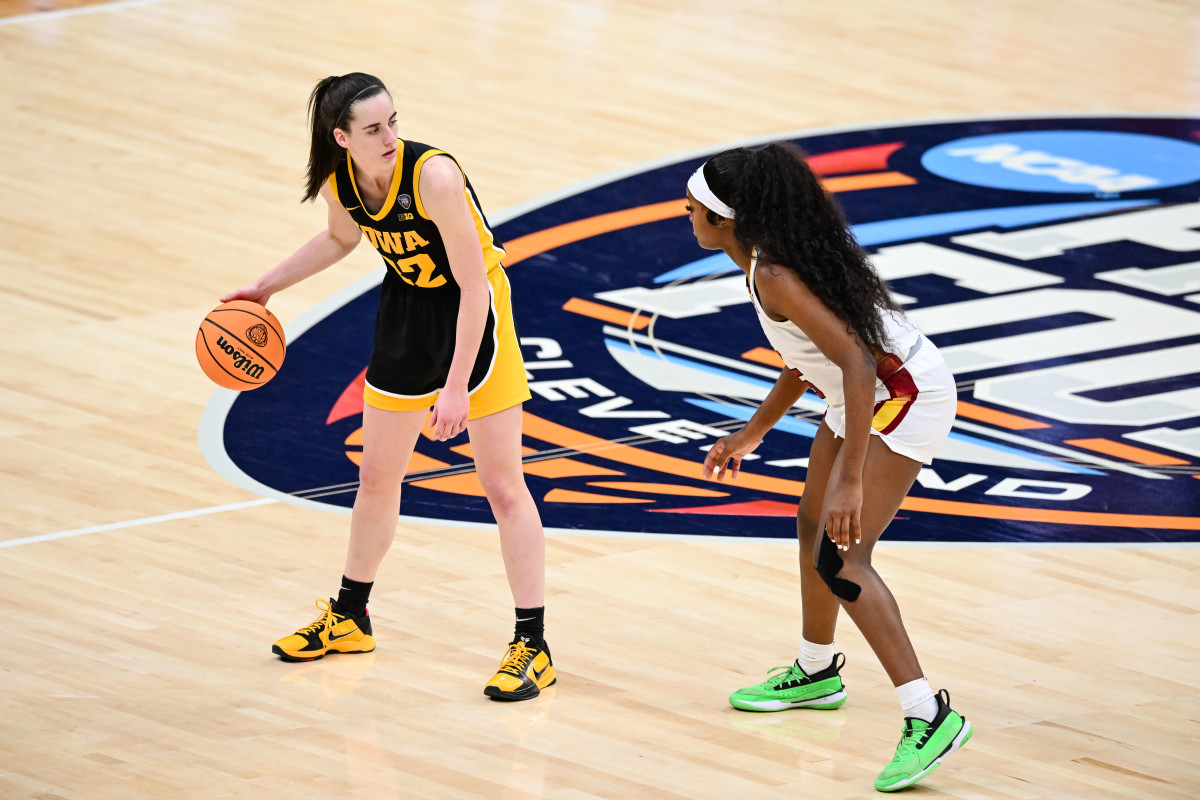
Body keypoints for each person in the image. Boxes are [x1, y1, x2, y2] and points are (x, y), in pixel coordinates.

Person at [222, 73, 555, 702]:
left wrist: (455, 387)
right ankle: (351, 616)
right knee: (376, 476)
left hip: (475, 314)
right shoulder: (340, 178)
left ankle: (532, 644)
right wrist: (266, 287)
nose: (390, 136)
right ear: (341, 137)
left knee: (502, 486)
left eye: (393, 121)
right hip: (406, 312)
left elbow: (474, 287)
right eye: (374, 128)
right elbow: (340, 237)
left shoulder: (434, 177)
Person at [687, 143, 972, 791]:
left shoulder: (774, 274)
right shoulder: (767, 261)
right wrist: (753, 432)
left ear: (725, 220)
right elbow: (806, 358)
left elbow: (858, 364)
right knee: (810, 523)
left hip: (900, 395)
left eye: (693, 209)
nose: (687, 217)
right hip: (864, 392)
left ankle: (929, 716)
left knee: (841, 558)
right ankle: (816, 672)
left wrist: (850, 477)